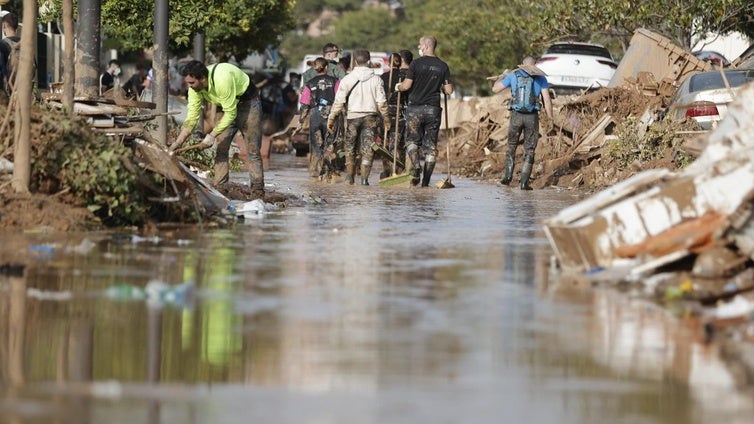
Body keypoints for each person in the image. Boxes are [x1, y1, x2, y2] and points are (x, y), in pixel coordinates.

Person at [171, 60, 265, 200]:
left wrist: (212, 135)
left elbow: (231, 114)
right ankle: (221, 190)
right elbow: (192, 118)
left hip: (248, 104)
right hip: (225, 105)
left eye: (192, 83)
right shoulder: (194, 89)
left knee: (253, 151)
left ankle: (257, 194)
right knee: (221, 148)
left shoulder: (222, 80)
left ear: (202, 78)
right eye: (188, 83)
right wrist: (177, 143)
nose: (189, 86)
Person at [394, 35, 453, 187]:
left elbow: (406, 86)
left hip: (415, 109)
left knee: (412, 141)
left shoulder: (415, 64)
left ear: (426, 46)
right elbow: (449, 90)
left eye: (420, 45)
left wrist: (398, 87)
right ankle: (425, 183)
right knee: (430, 147)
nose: (419, 48)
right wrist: (440, 86)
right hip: (433, 110)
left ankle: (416, 165)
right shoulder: (443, 66)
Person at [326, 49, 389, 185]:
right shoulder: (376, 80)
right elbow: (382, 102)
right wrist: (386, 118)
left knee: (349, 147)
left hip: (352, 117)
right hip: (370, 118)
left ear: (355, 62)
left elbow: (339, 101)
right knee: (368, 149)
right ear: (369, 61)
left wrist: (331, 117)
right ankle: (364, 180)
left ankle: (350, 177)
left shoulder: (347, 79)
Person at [491, 56, 553, 190]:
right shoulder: (541, 79)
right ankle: (524, 183)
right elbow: (547, 100)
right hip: (532, 117)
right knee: (530, 149)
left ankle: (507, 177)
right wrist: (550, 118)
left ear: (522, 65)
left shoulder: (513, 75)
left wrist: (502, 76)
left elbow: (495, 89)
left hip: (516, 116)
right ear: (535, 65)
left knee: (511, 146)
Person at [299, 57, 339, 178]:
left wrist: (301, 121)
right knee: (329, 145)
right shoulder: (335, 81)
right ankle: (328, 174)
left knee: (316, 146)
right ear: (326, 67)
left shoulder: (309, 83)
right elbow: (340, 99)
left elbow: (305, 104)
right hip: (331, 114)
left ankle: (314, 174)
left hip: (315, 114)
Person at [379, 52, 403, 178]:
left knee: (386, 143)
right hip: (400, 112)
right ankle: (396, 170)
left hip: (386, 112)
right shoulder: (405, 76)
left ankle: (388, 170)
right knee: (396, 143)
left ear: (388, 63)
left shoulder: (383, 77)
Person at [0, 11, 20, 93]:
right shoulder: (26, 44)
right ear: (16, 26)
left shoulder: (2, 44)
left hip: (7, 91)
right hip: (23, 89)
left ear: (4, 25)